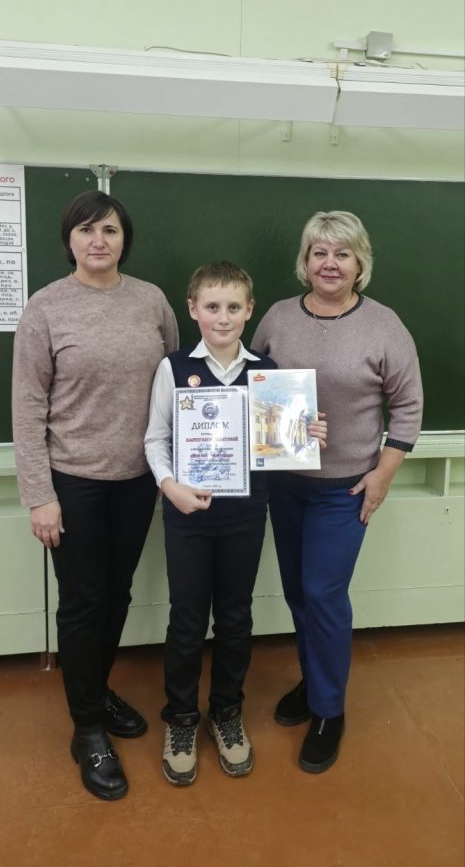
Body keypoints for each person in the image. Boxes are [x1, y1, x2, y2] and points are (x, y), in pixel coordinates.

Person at [12, 190, 178, 801]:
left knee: (116, 593)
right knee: (83, 603)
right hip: (73, 482)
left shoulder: (152, 301)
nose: (98, 240)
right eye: (85, 230)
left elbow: (176, 381)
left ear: (124, 238)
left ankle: (96, 689)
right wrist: (40, 495)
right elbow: (27, 407)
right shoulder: (45, 308)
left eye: (109, 229)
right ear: (69, 240)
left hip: (138, 478)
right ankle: (86, 729)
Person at [251, 210, 423, 774]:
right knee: (299, 593)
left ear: (359, 263)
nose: (330, 263)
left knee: (323, 593)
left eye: (342, 254)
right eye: (319, 252)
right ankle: (313, 680)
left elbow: (408, 406)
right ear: (305, 261)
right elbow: (252, 386)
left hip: (345, 490)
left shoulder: (384, 325)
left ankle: (329, 710)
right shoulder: (277, 317)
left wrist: (383, 474)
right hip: (284, 484)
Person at [144, 260, 328, 786]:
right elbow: (155, 438)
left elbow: (281, 445)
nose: (221, 317)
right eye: (211, 306)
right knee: (186, 620)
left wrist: (306, 433)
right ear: (193, 309)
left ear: (249, 310)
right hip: (187, 515)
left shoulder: (266, 372)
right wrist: (170, 486)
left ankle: (226, 712)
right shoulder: (173, 368)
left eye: (232, 307)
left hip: (245, 515)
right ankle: (182, 718)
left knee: (234, 617)